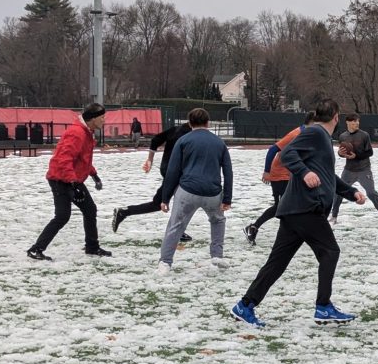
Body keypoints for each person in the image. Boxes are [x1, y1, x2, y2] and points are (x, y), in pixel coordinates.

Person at [231, 99, 366, 327]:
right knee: (330, 251)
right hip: (305, 208)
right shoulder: (316, 133)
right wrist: (303, 173)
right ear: (336, 116)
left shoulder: (320, 138)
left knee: (277, 263)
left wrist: (350, 192)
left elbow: (325, 175)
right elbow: (286, 155)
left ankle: (245, 306)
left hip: (295, 209)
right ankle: (323, 307)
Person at [27, 103, 111, 260]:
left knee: (90, 209)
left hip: (71, 179)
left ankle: (92, 247)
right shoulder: (77, 133)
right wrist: (73, 182)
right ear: (92, 119)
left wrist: (94, 175)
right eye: (102, 117)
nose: (104, 120)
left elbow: (82, 159)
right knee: (62, 216)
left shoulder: (86, 132)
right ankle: (35, 249)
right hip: (60, 179)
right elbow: (63, 159)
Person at [157, 108, 233, 271]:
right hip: (213, 193)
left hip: (187, 191)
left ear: (190, 123)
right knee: (218, 221)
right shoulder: (219, 143)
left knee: (176, 225)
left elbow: (173, 171)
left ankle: (165, 262)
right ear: (208, 123)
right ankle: (217, 256)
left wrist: (165, 198)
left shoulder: (183, 141)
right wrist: (227, 198)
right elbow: (228, 171)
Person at [112, 120, 195, 242]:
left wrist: (150, 160)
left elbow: (156, 139)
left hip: (168, 170)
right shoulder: (189, 135)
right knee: (183, 201)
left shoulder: (176, 129)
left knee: (158, 204)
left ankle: (124, 212)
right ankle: (177, 231)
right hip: (176, 172)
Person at [243, 111, 315, 245]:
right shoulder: (296, 134)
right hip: (280, 174)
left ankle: (256, 227)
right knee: (284, 206)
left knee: (286, 205)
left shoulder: (309, 134)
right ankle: (254, 227)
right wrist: (267, 171)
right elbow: (272, 150)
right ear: (312, 122)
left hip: (290, 173)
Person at [330, 113, 378, 224]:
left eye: (358, 121)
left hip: (364, 169)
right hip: (349, 170)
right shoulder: (342, 136)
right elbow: (343, 153)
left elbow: (370, 152)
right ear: (348, 122)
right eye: (354, 121)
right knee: (338, 192)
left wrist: (356, 156)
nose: (357, 123)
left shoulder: (364, 135)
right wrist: (340, 153)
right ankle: (334, 217)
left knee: (371, 193)